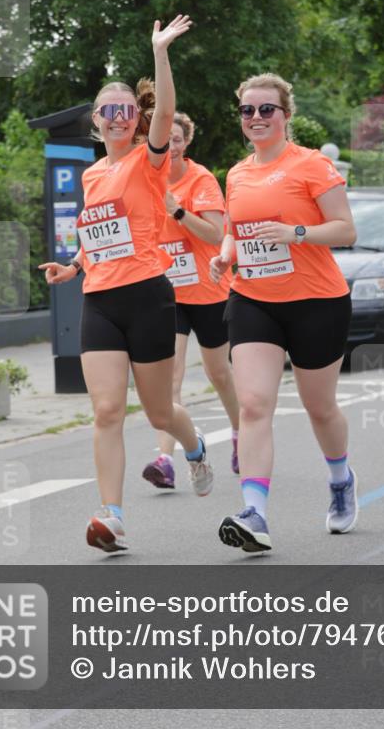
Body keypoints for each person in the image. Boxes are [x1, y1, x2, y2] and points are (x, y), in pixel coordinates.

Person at [39, 15, 213, 554]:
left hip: (148, 296)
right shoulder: (91, 175)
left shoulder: (149, 160)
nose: (117, 118)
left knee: (160, 412)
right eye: (107, 112)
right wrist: (73, 266)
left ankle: (194, 446)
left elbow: (166, 110)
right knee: (108, 410)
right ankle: (111, 515)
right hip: (100, 299)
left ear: (136, 120)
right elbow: (99, 234)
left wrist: (160, 52)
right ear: (95, 120)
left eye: (125, 111)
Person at [209, 73, 357, 553]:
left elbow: (345, 231)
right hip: (253, 298)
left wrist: (295, 233)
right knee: (253, 404)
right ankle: (255, 513)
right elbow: (236, 228)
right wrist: (225, 253)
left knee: (320, 407)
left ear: (285, 115)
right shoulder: (235, 173)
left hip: (316, 300)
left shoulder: (312, 166)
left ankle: (340, 479)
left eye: (266, 109)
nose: (255, 118)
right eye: (247, 110)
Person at [141, 112, 240, 489]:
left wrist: (178, 210)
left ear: (185, 142)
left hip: (209, 291)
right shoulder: (147, 179)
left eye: (177, 138)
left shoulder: (201, 181)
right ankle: (165, 459)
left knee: (218, 373)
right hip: (169, 293)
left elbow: (217, 235)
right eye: (165, 138)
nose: (171, 145)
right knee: (172, 375)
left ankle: (238, 434)